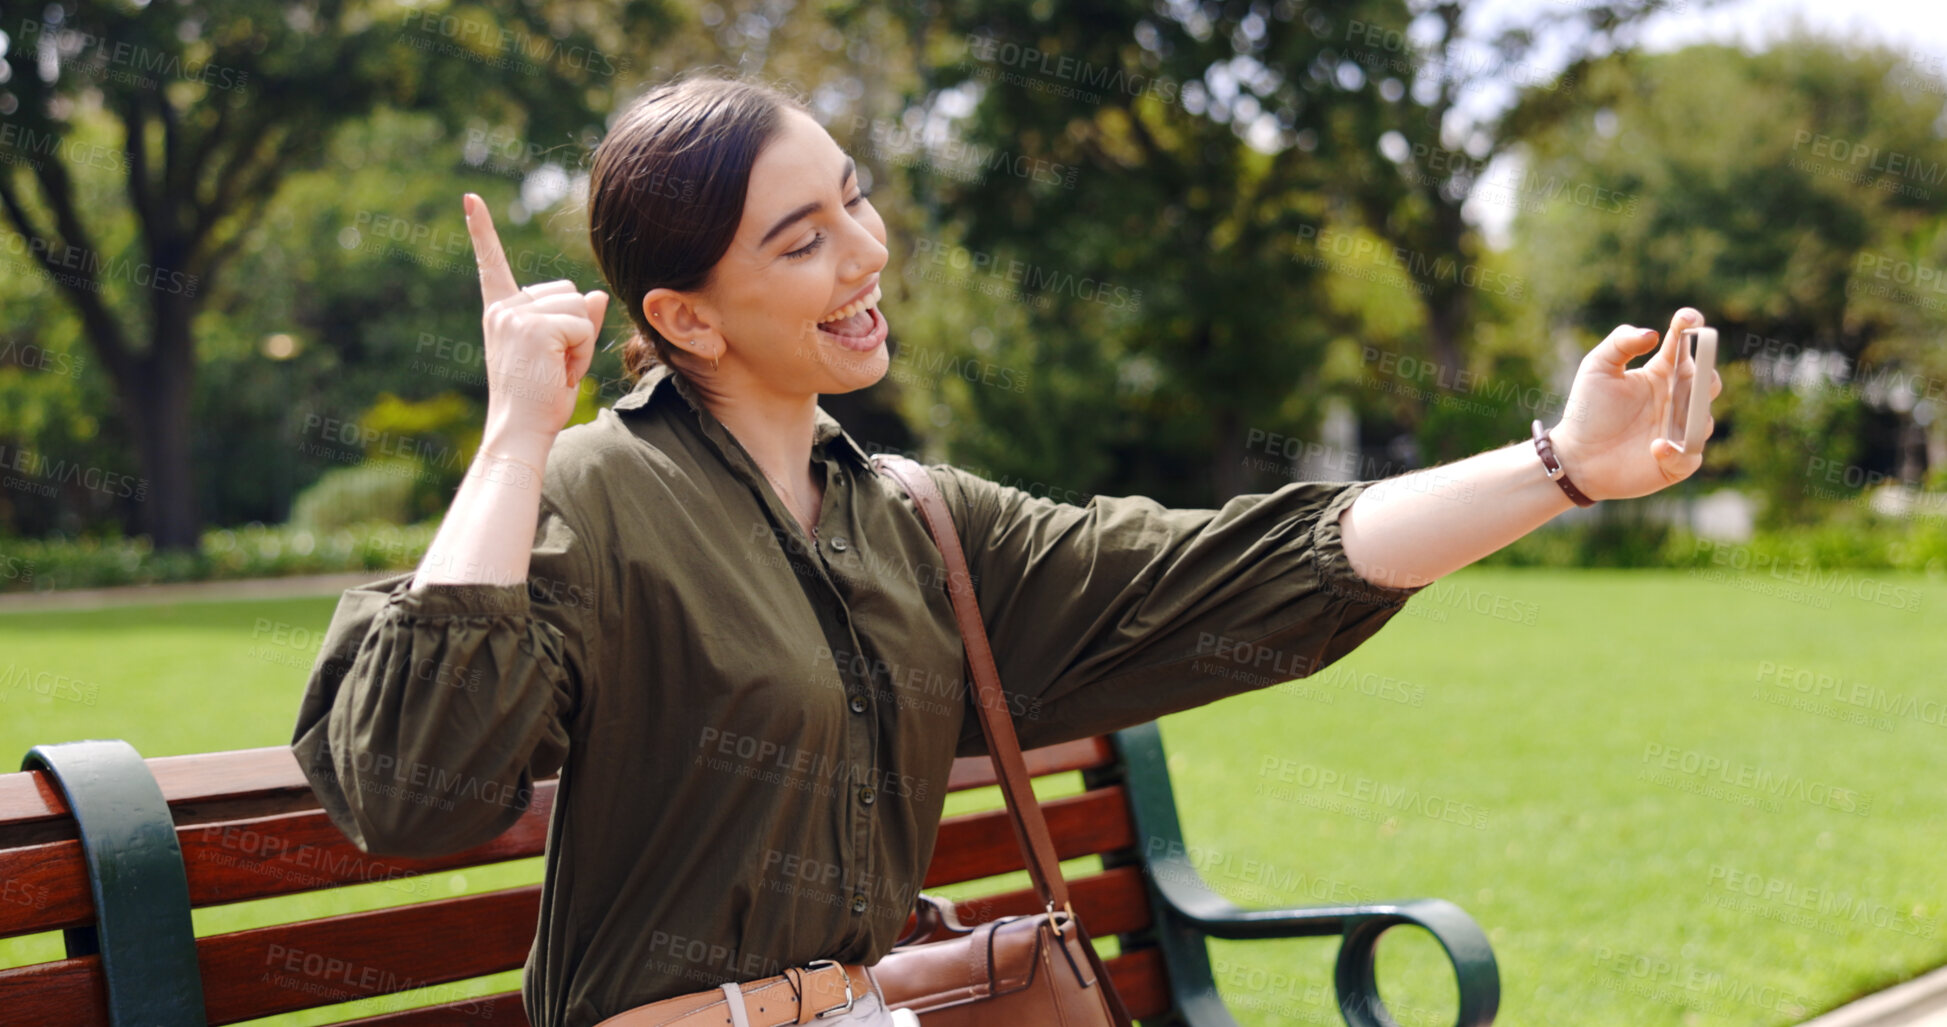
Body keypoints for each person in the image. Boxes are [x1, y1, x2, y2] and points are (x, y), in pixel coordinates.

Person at [289, 70, 1722, 1027]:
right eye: (802, 239)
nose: (866, 251)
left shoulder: (913, 516)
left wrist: (1562, 468)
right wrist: (510, 436)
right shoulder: (590, 502)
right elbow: (413, 785)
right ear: (688, 318)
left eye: (855, 195)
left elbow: (1227, 574)